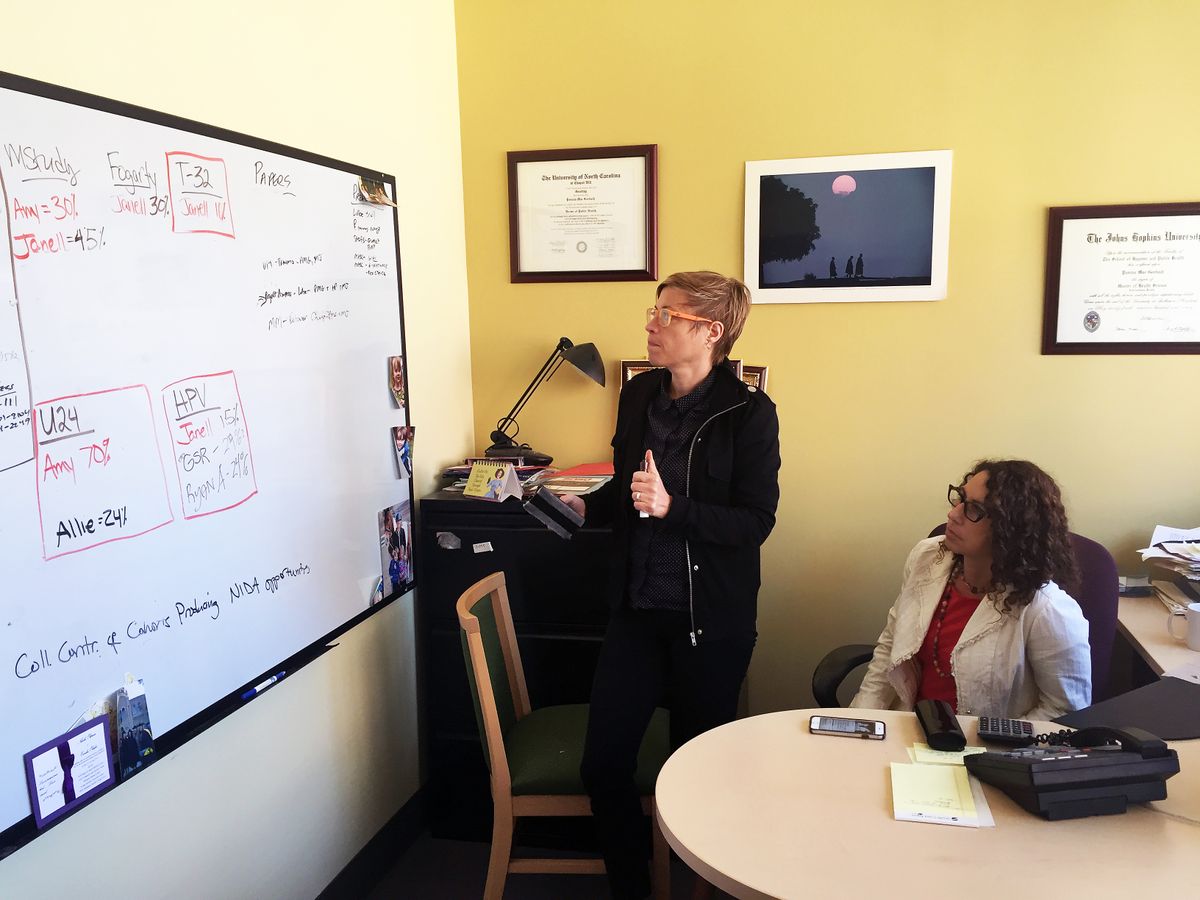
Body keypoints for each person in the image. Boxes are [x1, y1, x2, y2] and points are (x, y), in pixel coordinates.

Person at [559, 271, 780, 899]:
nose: (651, 324)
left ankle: (701, 886)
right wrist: (586, 507)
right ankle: (634, 889)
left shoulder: (748, 413)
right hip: (636, 612)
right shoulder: (638, 395)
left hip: (709, 622)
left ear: (711, 331)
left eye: (668, 315)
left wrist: (671, 508)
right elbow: (629, 488)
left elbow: (755, 522)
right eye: (654, 311)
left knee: (698, 775)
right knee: (603, 765)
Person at [850, 459, 1091, 720]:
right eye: (960, 498)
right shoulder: (928, 558)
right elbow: (890, 646)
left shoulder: (1047, 609)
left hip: (988, 743)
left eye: (974, 509)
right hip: (907, 728)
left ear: (1011, 528)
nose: (953, 514)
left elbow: (1064, 711)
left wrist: (991, 742)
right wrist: (859, 721)